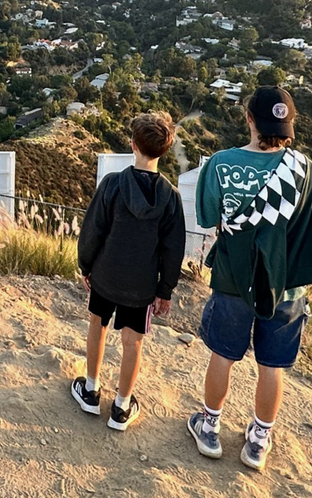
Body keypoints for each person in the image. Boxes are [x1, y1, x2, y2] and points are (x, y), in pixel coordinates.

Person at [187, 86, 312, 472]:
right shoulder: (310, 172)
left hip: (234, 278)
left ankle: (210, 426)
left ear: (249, 119)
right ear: (289, 125)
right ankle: (258, 440)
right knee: (272, 365)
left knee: (223, 355)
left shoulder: (219, 164)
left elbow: (209, 220)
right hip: (287, 286)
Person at [72, 111, 186, 431]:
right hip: (142, 285)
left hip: (106, 275)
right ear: (165, 149)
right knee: (132, 342)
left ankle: (91, 390)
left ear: (133, 144)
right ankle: (121, 407)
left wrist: (86, 265)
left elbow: (93, 230)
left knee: (97, 324)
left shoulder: (112, 184)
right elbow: (172, 249)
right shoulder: (170, 198)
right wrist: (165, 290)